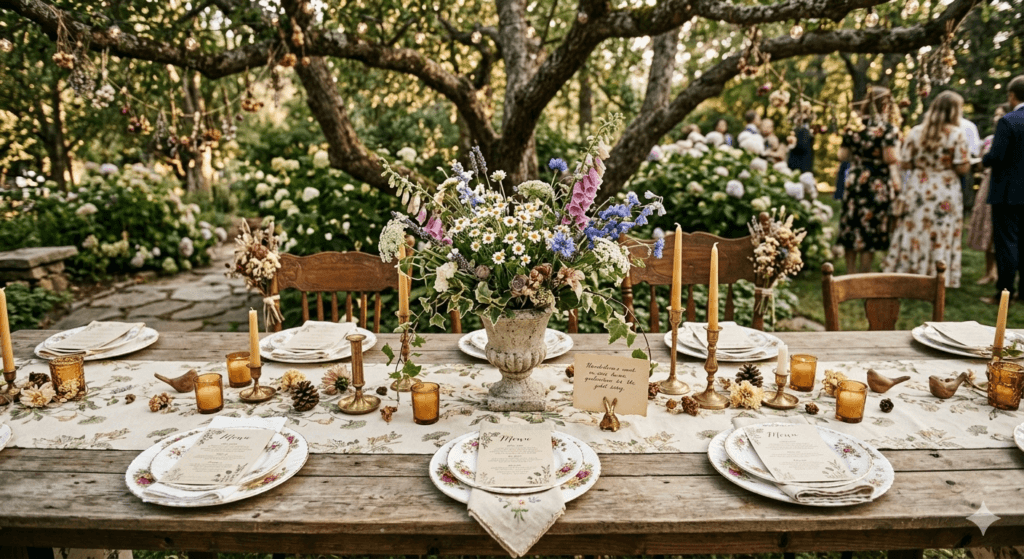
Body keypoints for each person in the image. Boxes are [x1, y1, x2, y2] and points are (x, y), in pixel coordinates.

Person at [883, 91, 971, 288]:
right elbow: (962, 166)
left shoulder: (915, 132)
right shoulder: (956, 135)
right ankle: (936, 274)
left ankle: (910, 270)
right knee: (941, 231)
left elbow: (904, 163)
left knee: (915, 227)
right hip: (944, 188)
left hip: (919, 185)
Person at [837, 86, 900, 274]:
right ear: (884, 105)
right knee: (869, 227)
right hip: (876, 182)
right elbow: (889, 158)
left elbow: (843, 155)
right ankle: (863, 274)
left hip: (856, 179)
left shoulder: (853, 127)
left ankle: (850, 272)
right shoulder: (887, 129)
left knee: (852, 223)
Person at [981, 75, 1024, 304]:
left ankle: (1003, 294)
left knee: (1007, 243)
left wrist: (983, 159)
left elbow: (996, 156)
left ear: (1012, 95)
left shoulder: (1008, 121)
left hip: (1008, 192)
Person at [967, 104, 1009, 286]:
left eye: (1001, 114)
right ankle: (988, 271)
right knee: (986, 227)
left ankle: (1002, 272)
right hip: (987, 184)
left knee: (999, 231)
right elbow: (981, 163)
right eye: (995, 114)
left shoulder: (1010, 134)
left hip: (1003, 185)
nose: (996, 118)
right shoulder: (989, 139)